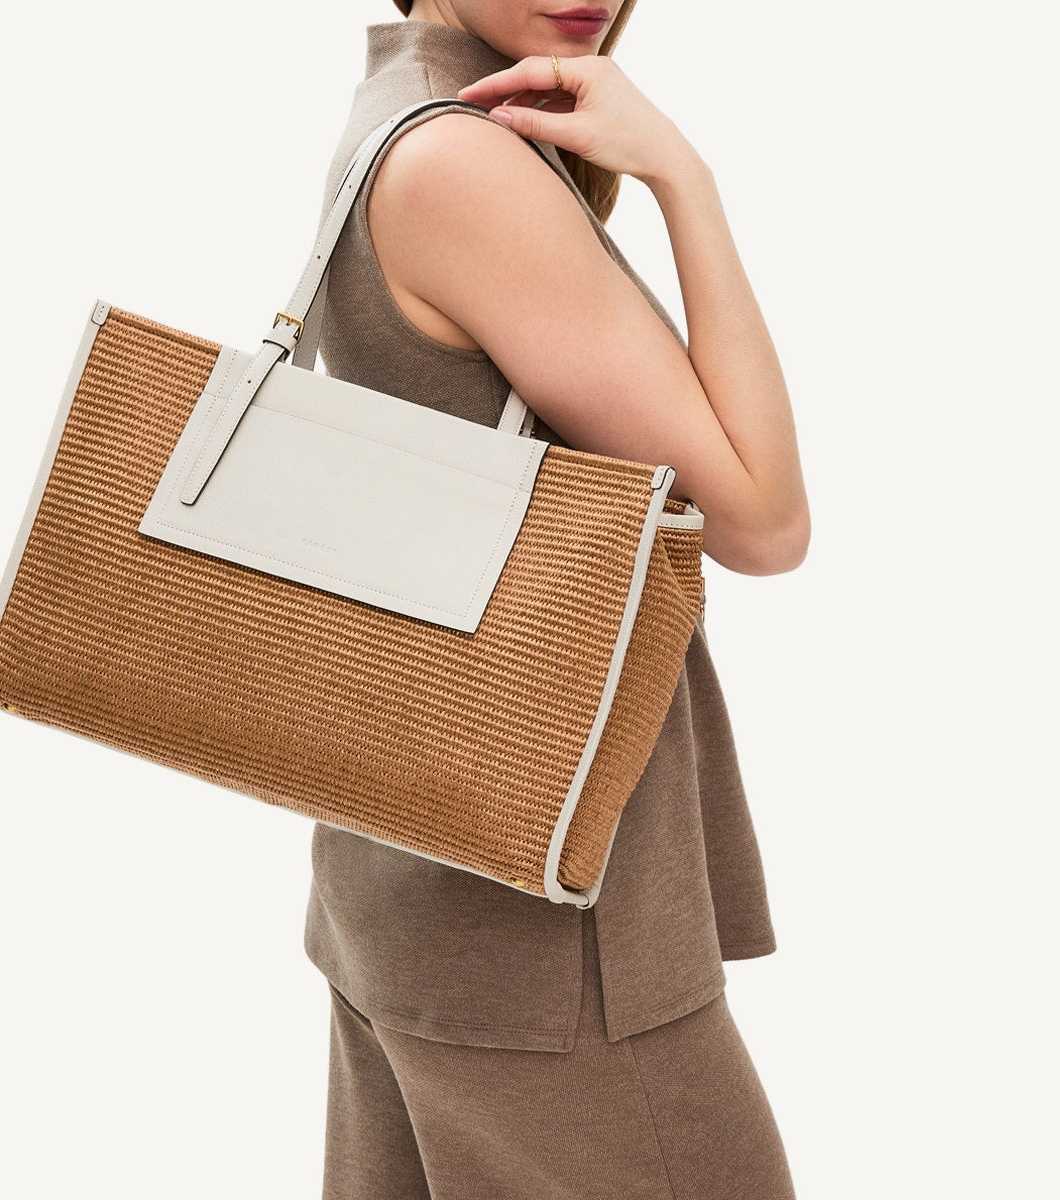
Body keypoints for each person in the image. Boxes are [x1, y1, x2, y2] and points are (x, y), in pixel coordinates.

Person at [302, 2, 810, 1196]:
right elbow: (762, 518)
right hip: (547, 924)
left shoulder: (406, 113)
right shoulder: (462, 163)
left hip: (417, 885)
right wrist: (686, 177)